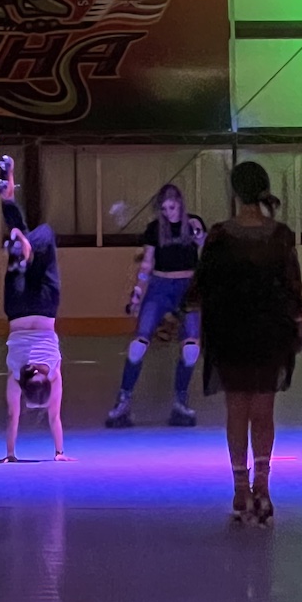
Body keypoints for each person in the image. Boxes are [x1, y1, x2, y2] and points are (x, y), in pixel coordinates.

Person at [186, 162, 302, 524]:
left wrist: (180, 315)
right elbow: (291, 287)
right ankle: (263, 487)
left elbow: (202, 284)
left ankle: (240, 488)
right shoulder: (280, 235)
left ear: (235, 192)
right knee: (263, 411)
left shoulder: (219, 235)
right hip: (270, 333)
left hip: (230, 333)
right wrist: (301, 327)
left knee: (237, 410)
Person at [105, 184, 206, 429]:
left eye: (172, 207)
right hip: (160, 287)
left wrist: (199, 234)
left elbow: (206, 251)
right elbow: (147, 264)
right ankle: (123, 399)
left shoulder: (193, 223)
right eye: (164, 209)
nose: (169, 212)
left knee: (191, 349)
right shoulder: (154, 229)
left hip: (187, 287)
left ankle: (181, 400)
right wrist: (137, 293)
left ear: (180, 204)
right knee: (137, 347)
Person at [0, 156, 70, 463]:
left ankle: (22, 243)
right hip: (17, 309)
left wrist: (60, 451)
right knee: (23, 234)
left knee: (46, 234)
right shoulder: (16, 377)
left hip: (46, 308)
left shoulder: (53, 375)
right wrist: (9, 454)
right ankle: (9, 203)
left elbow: (54, 419)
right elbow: (12, 418)